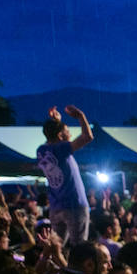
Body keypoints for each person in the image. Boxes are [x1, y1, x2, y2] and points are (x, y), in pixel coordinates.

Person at [35, 106, 94, 247]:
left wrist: (57, 123)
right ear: (60, 135)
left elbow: (53, 137)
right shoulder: (62, 148)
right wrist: (81, 116)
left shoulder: (41, 150)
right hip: (74, 204)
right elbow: (87, 137)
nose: (71, 135)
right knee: (79, 248)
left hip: (56, 206)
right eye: (68, 131)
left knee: (56, 247)